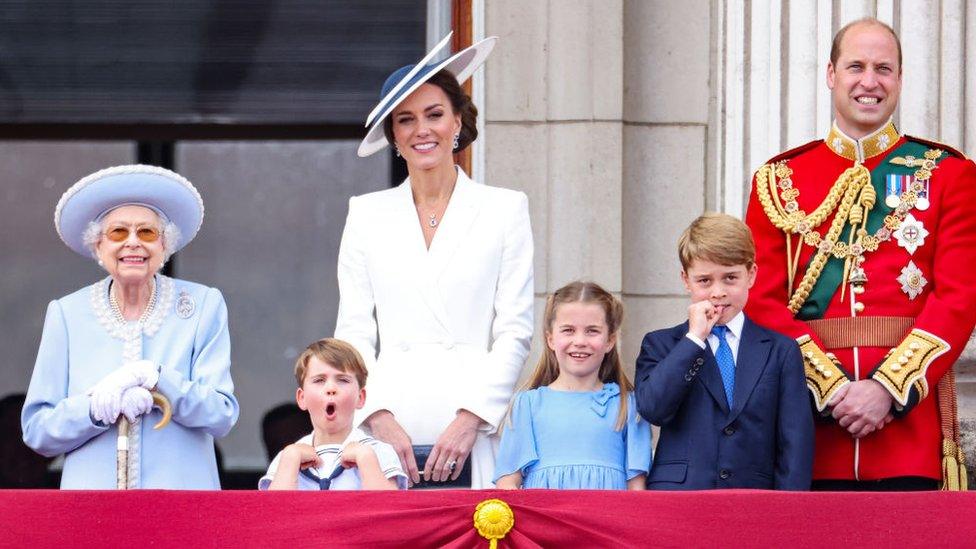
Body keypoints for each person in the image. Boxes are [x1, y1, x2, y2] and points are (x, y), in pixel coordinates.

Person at [744, 17, 976, 490]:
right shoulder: (779, 179)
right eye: (856, 66)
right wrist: (830, 390)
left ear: (899, 79)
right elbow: (759, 298)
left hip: (907, 436)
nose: (869, 82)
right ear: (831, 74)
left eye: (883, 69)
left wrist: (886, 390)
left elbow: (959, 297)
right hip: (809, 433)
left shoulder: (948, 174)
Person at [336, 32, 533, 488]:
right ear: (393, 137)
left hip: (472, 423)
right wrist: (377, 414)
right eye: (406, 120)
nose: (422, 130)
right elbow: (353, 331)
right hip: (388, 427)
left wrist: (472, 418)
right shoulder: (365, 214)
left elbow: (515, 329)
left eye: (435, 114)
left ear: (458, 122)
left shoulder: (505, 208)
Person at [21, 165, 239, 489]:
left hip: (182, 506)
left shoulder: (202, 306)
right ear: (98, 246)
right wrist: (92, 410)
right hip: (92, 508)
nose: (133, 243)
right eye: (118, 233)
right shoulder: (66, 314)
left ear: (165, 245)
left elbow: (221, 415)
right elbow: (38, 431)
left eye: (147, 233)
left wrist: (159, 379)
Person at [636, 213, 813, 490]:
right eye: (704, 281)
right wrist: (694, 339)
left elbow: (795, 441)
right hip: (681, 499)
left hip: (754, 500)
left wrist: (789, 512)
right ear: (686, 280)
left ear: (751, 274)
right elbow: (653, 409)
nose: (718, 292)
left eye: (730, 278)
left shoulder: (781, 351)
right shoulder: (661, 344)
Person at [493, 281, 650, 490]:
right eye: (568, 330)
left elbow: (637, 490)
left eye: (592, 331)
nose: (580, 341)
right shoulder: (527, 404)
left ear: (610, 340)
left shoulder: (628, 406)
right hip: (545, 520)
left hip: (605, 520)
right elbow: (508, 483)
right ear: (550, 339)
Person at [260, 338, 406, 490]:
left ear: (360, 398)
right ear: (302, 398)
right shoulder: (287, 457)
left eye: (342, 380)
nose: (331, 388)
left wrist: (366, 459)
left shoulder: (378, 451)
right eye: (319, 380)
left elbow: (388, 509)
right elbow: (276, 511)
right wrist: (290, 461)